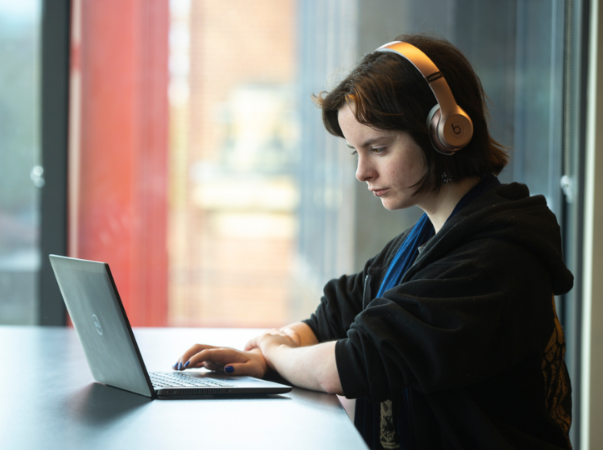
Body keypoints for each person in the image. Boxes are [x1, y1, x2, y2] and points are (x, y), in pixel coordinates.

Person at [173, 33, 574, 449]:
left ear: (446, 131)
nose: (362, 171)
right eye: (355, 152)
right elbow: (336, 312)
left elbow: (352, 364)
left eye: (378, 148)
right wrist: (267, 356)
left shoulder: (492, 260)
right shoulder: (427, 240)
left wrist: (275, 352)